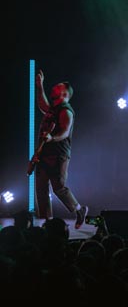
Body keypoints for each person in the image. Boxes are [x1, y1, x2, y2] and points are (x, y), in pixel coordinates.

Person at [34, 69, 88, 228]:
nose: (54, 87)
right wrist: (40, 86)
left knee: (58, 187)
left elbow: (64, 132)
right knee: (41, 189)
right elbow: (43, 105)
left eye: (58, 87)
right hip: (44, 154)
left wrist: (52, 138)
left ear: (65, 94)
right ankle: (47, 222)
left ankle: (79, 210)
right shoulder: (53, 109)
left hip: (58, 155)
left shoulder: (66, 111)